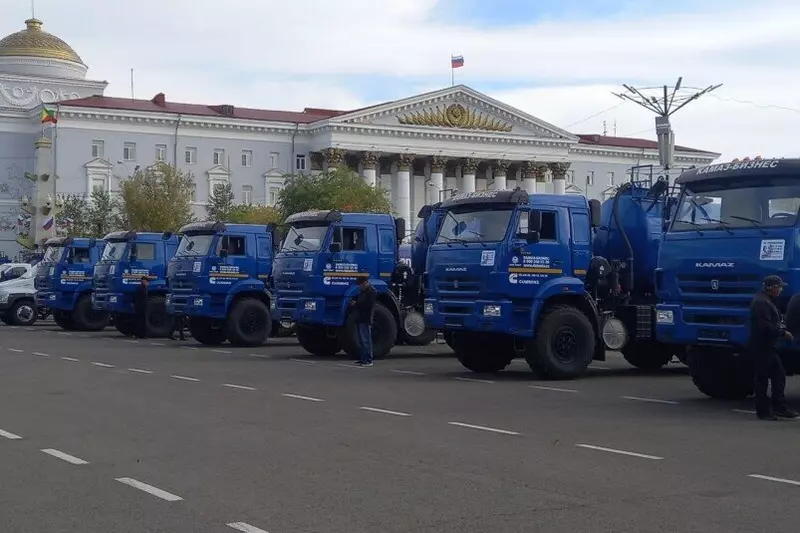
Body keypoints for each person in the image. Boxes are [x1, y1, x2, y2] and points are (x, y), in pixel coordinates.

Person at [749, 274, 798, 421]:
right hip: (762, 347)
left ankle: (779, 407)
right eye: (779, 287)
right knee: (762, 379)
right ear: (771, 287)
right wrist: (782, 332)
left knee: (779, 375)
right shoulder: (761, 303)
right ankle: (763, 411)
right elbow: (765, 326)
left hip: (769, 346)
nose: (781, 290)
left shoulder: (767, 301)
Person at [350, 277, 377, 366]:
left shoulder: (371, 292)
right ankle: (363, 358)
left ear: (365, 283)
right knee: (361, 340)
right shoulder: (363, 292)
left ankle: (368, 359)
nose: (360, 286)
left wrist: (356, 304)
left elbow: (368, 305)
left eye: (361, 284)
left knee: (366, 340)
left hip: (366, 318)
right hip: (360, 317)